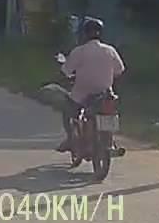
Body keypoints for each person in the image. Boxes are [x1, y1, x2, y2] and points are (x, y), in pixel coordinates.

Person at [49, 17, 124, 152]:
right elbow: (120, 70)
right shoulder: (110, 50)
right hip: (105, 93)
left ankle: (71, 139)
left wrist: (64, 77)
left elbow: (66, 71)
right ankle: (111, 142)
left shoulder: (79, 51)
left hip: (82, 93)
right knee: (110, 113)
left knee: (69, 111)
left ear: (85, 33)